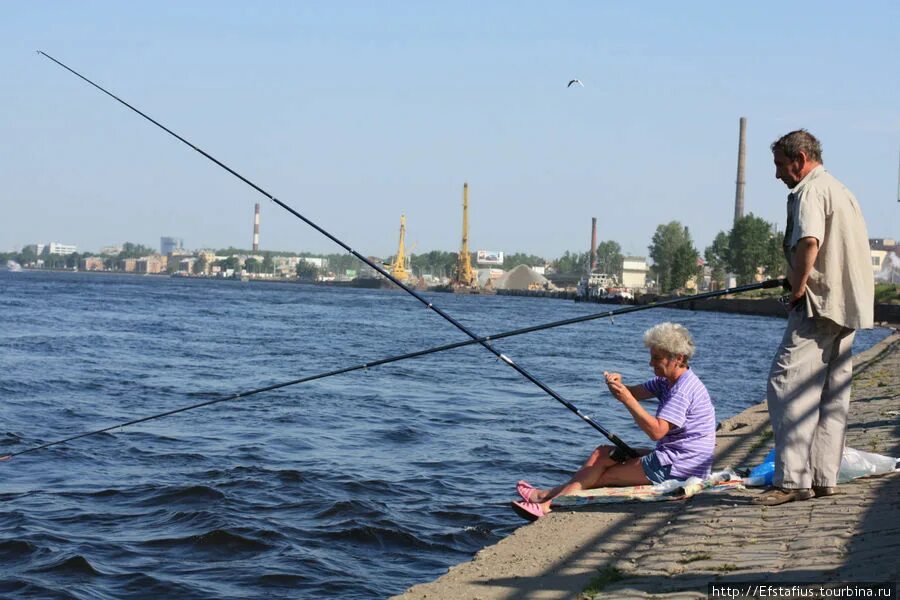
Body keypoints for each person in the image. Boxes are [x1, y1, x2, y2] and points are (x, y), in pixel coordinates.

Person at [752, 130, 874, 506]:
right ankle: (825, 477)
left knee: (786, 385)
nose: (777, 175)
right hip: (847, 306)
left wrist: (797, 287)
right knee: (832, 395)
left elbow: (809, 241)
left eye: (779, 165)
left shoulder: (809, 191)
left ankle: (791, 480)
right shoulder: (842, 190)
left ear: (800, 159)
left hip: (818, 305)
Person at [511, 322, 716, 521]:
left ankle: (547, 504)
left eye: (657, 358)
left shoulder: (682, 390)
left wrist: (626, 399)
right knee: (602, 453)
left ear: (678, 358)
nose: (650, 363)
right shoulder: (666, 381)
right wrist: (617, 386)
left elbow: (656, 432)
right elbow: (634, 393)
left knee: (604, 476)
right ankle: (543, 496)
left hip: (681, 468)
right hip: (674, 456)